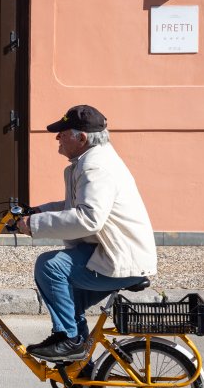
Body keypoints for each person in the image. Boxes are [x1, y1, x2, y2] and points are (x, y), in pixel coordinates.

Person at [15, 105, 157, 362]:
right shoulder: (91, 162)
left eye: (62, 132)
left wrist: (33, 225)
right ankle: (80, 370)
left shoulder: (96, 167)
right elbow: (75, 206)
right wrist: (36, 211)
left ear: (81, 137)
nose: (57, 137)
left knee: (49, 266)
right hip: (108, 252)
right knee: (70, 303)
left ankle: (69, 340)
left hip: (118, 258)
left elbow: (88, 218)